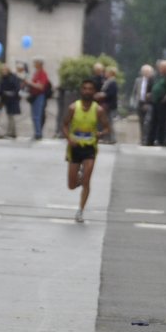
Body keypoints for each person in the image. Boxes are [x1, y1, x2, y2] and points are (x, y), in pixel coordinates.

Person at [62, 78, 110, 223]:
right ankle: (80, 179)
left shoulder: (98, 110)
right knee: (71, 185)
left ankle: (80, 211)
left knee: (87, 180)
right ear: (81, 90)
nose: (87, 91)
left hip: (90, 148)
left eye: (90, 89)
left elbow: (107, 127)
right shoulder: (72, 108)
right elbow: (64, 125)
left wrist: (100, 134)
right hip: (74, 147)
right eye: (85, 88)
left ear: (94, 92)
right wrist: (69, 138)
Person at [0, 61, 23, 139]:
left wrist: (10, 93)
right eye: (2, 70)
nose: (4, 71)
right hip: (3, 98)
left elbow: (17, 88)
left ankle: (11, 133)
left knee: (11, 116)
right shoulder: (2, 78)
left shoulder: (13, 77)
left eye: (5, 70)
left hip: (12, 99)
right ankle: (4, 131)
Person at [27, 58, 52, 140]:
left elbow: (41, 86)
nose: (34, 64)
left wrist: (30, 83)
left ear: (39, 64)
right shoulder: (36, 73)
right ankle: (36, 132)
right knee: (35, 115)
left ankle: (38, 133)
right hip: (34, 96)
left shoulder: (42, 74)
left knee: (37, 115)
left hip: (39, 96)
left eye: (35, 63)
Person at [100, 66, 121, 144]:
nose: (105, 73)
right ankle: (107, 137)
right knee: (107, 122)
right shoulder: (108, 81)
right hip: (107, 105)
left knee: (110, 122)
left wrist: (103, 95)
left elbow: (111, 94)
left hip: (110, 105)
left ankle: (112, 138)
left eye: (107, 72)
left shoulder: (113, 82)